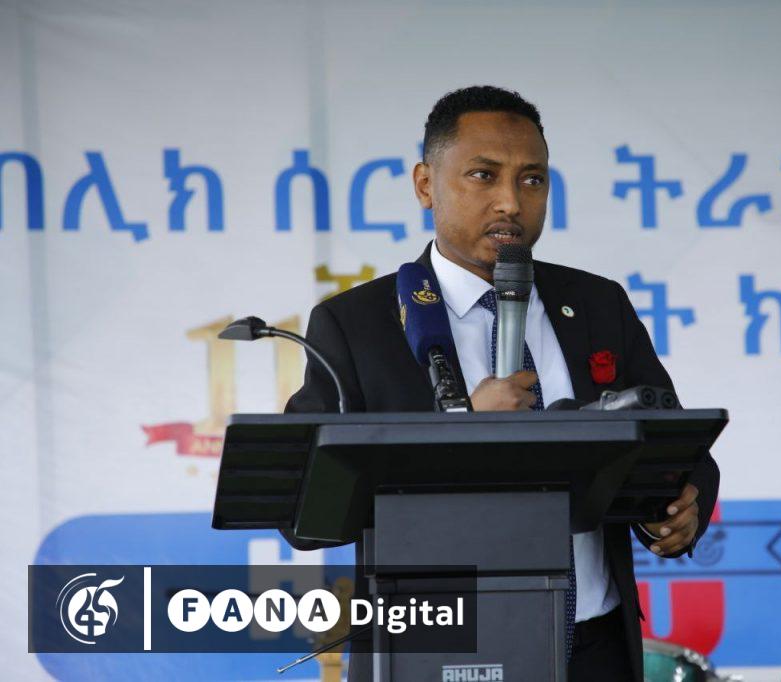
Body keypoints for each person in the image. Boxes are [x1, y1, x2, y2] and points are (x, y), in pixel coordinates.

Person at [284, 85, 720, 682]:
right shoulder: (356, 324)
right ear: (425, 185)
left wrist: (680, 509)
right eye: (483, 176)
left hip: (593, 648)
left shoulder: (597, 304)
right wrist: (457, 434)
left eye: (532, 180)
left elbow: (675, 443)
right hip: (437, 651)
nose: (511, 202)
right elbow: (304, 511)